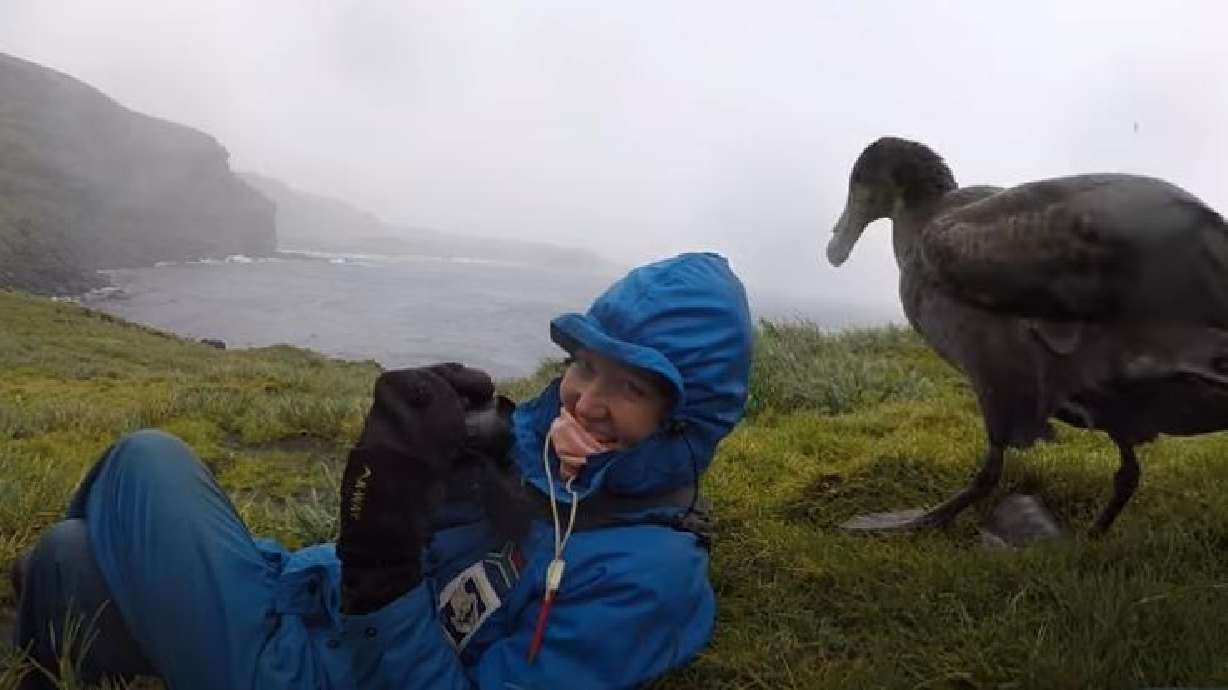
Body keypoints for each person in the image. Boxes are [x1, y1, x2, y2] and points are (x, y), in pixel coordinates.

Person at [11, 251, 754, 690]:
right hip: (309, 615)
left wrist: (383, 574)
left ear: (683, 422)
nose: (586, 401)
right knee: (65, 562)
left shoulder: (649, 578)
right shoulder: (533, 455)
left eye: (630, 388)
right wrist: (440, 460)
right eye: (585, 366)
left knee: (147, 461)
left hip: (314, 672)